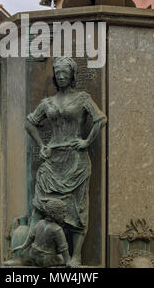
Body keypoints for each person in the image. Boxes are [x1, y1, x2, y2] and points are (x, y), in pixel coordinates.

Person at [25, 57, 107, 267]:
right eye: (58, 73)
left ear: (72, 75)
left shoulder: (82, 98)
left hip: (76, 161)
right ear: (54, 75)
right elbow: (30, 123)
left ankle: (76, 256)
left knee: (78, 210)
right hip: (52, 160)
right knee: (39, 204)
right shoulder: (47, 103)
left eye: (65, 73)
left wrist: (87, 141)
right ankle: (29, 251)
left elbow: (100, 119)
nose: (61, 76)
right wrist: (41, 145)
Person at [12, 199, 71, 267]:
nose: (64, 215)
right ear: (53, 214)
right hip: (46, 260)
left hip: (32, 256)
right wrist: (68, 261)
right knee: (61, 258)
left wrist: (23, 246)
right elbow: (63, 248)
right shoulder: (57, 229)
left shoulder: (40, 223)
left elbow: (31, 237)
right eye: (62, 212)